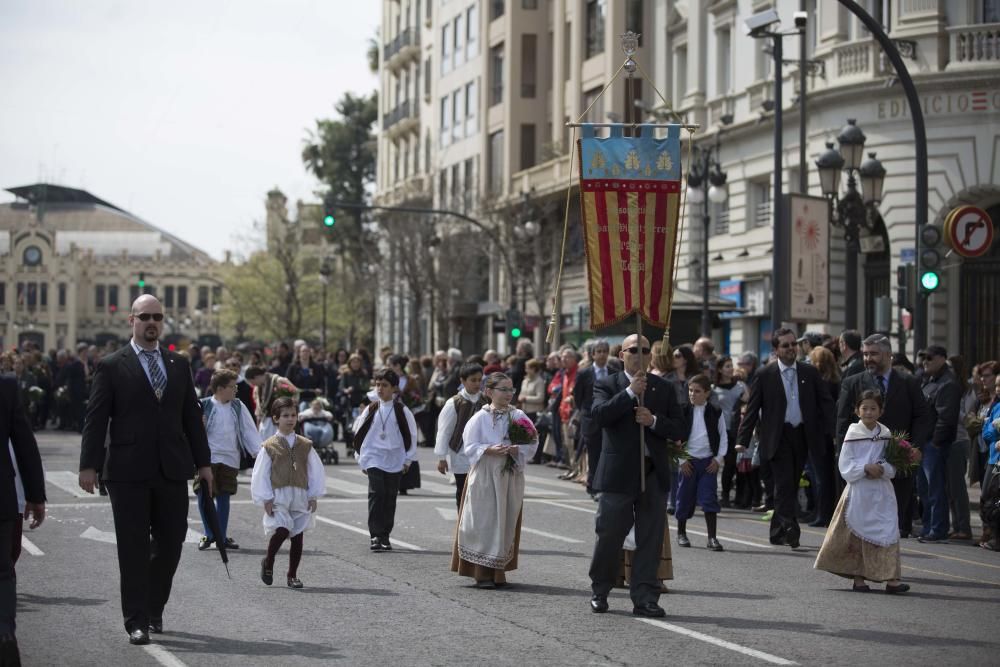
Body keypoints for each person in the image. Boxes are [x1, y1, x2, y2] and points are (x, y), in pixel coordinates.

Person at [79, 295, 213, 646]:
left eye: (157, 317)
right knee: (133, 548)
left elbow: (191, 419)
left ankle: (155, 606)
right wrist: (88, 465)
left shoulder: (178, 363)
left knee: (171, 543)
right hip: (126, 471)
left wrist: (204, 463)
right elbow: (96, 419)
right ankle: (136, 620)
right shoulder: (112, 365)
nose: (151, 322)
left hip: (171, 468)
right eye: (145, 317)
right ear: (132, 320)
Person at [588, 335, 685, 618]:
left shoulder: (664, 389)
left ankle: (644, 596)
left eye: (645, 350)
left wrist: (653, 421)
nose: (640, 355)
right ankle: (600, 589)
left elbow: (679, 427)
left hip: (652, 472)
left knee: (650, 538)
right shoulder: (607, 383)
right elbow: (600, 416)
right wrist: (630, 393)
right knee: (609, 534)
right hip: (618, 474)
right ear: (622, 354)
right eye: (634, 350)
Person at [736, 328, 834, 549]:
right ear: (776, 350)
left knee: (791, 481)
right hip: (777, 437)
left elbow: (826, 403)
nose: (791, 349)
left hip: (802, 435)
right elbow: (752, 409)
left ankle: (776, 531)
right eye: (786, 345)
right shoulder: (764, 374)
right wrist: (742, 438)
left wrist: (835, 432)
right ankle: (791, 528)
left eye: (793, 344)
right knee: (783, 482)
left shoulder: (810, 372)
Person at [836, 334, 933, 539]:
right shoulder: (853, 382)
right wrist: (844, 455)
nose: (868, 358)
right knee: (864, 519)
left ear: (888, 355)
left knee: (894, 518)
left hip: (897, 461)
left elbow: (922, 416)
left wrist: (915, 447)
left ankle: (887, 562)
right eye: (865, 354)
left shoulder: (908, 382)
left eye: (873, 354)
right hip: (863, 468)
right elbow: (843, 422)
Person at [815, 390, 909, 594]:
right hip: (860, 490)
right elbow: (845, 464)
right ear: (857, 411)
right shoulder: (852, 433)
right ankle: (859, 579)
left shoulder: (885, 433)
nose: (869, 412)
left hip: (881, 490)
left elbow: (892, 460)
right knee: (858, 533)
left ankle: (892, 579)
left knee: (888, 530)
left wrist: (883, 468)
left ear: (881, 411)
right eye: (864, 408)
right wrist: (865, 468)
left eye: (873, 408)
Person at [451, 372, 538, 588]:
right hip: (486, 475)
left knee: (504, 521)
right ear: (489, 392)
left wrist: (518, 449)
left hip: (509, 475)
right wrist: (487, 449)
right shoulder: (480, 418)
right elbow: (469, 445)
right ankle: (481, 573)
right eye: (504, 389)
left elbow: (533, 441)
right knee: (484, 521)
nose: (509, 394)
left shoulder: (518, 416)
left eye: (511, 390)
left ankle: (499, 572)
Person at [251, 397, 325, 588]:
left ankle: (292, 575)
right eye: (285, 416)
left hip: (299, 494)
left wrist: (313, 494)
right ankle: (268, 561)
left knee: (298, 535)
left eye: (293, 415)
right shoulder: (269, 446)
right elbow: (261, 473)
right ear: (276, 418)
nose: (290, 419)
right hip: (279, 496)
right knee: (282, 529)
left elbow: (314, 470)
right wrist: (265, 497)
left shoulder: (305, 444)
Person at [0, 374, 46, 664]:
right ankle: (4, 631)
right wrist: (35, 495)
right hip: (1, 496)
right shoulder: (6, 387)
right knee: (2, 572)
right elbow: (25, 442)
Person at [352, 369, 418, 551]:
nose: (380, 389)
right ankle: (374, 535)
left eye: (385, 385)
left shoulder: (402, 411)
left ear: (394, 388)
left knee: (390, 497)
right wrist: (361, 458)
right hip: (374, 457)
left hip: (395, 458)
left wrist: (408, 460)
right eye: (378, 385)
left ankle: (385, 535)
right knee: (376, 493)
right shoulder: (371, 408)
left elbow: (411, 435)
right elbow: (359, 433)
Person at [197, 369, 262, 551]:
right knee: (204, 495)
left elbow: (249, 430)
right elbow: (192, 432)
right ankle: (208, 533)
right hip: (207, 458)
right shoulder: (203, 405)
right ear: (219, 388)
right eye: (232, 387)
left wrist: (258, 453)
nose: (236, 390)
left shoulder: (237, 406)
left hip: (230, 458)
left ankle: (221, 536)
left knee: (224, 496)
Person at [675, 374, 728, 551]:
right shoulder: (682, 411)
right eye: (690, 390)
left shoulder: (715, 411)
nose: (692, 394)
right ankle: (681, 533)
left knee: (709, 498)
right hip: (688, 462)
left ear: (707, 393)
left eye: (697, 391)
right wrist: (681, 460)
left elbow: (723, 437)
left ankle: (712, 538)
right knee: (684, 497)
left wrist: (718, 459)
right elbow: (674, 438)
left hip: (707, 463)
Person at [918, 345, 962, 543]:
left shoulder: (947, 383)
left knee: (935, 489)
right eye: (923, 358)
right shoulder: (928, 380)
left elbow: (946, 417)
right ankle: (928, 527)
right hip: (924, 442)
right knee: (925, 489)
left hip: (934, 444)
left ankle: (937, 528)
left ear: (942, 359)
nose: (925, 362)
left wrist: (935, 443)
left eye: (929, 358)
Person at [434, 363, 486, 507]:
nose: (477, 384)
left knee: (480, 493)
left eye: (479, 380)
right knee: (463, 491)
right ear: (463, 381)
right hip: (460, 453)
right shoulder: (454, 403)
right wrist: (441, 458)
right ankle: (462, 525)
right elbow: (444, 431)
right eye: (473, 380)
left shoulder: (486, 401)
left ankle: (477, 526)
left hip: (482, 453)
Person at [806, 346, 841, 527]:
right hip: (827, 435)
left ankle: (822, 513)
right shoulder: (836, 381)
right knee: (825, 476)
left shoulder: (820, 383)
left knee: (820, 477)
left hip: (818, 434)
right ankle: (821, 511)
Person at [573, 340, 612, 498]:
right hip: (591, 419)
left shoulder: (614, 371)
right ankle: (595, 487)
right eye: (599, 351)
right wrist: (585, 412)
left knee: (607, 453)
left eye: (605, 351)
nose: (602, 354)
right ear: (593, 354)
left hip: (609, 420)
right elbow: (578, 396)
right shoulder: (584, 373)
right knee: (595, 453)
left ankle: (600, 484)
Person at [712, 356, 748, 508]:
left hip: (738, 429)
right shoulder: (714, 388)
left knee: (738, 463)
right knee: (728, 463)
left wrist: (744, 395)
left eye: (731, 365)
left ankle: (740, 496)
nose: (731, 368)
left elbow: (748, 400)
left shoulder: (739, 386)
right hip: (722, 430)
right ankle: (725, 495)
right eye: (727, 366)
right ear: (720, 369)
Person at [980, 374, 1000, 550]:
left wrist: (993, 429)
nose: (998, 388)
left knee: (994, 497)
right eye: (998, 385)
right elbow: (987, 432)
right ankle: (992, 534)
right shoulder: (996, 405)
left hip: (997, 458)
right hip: (994, 456)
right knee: (988, 495)